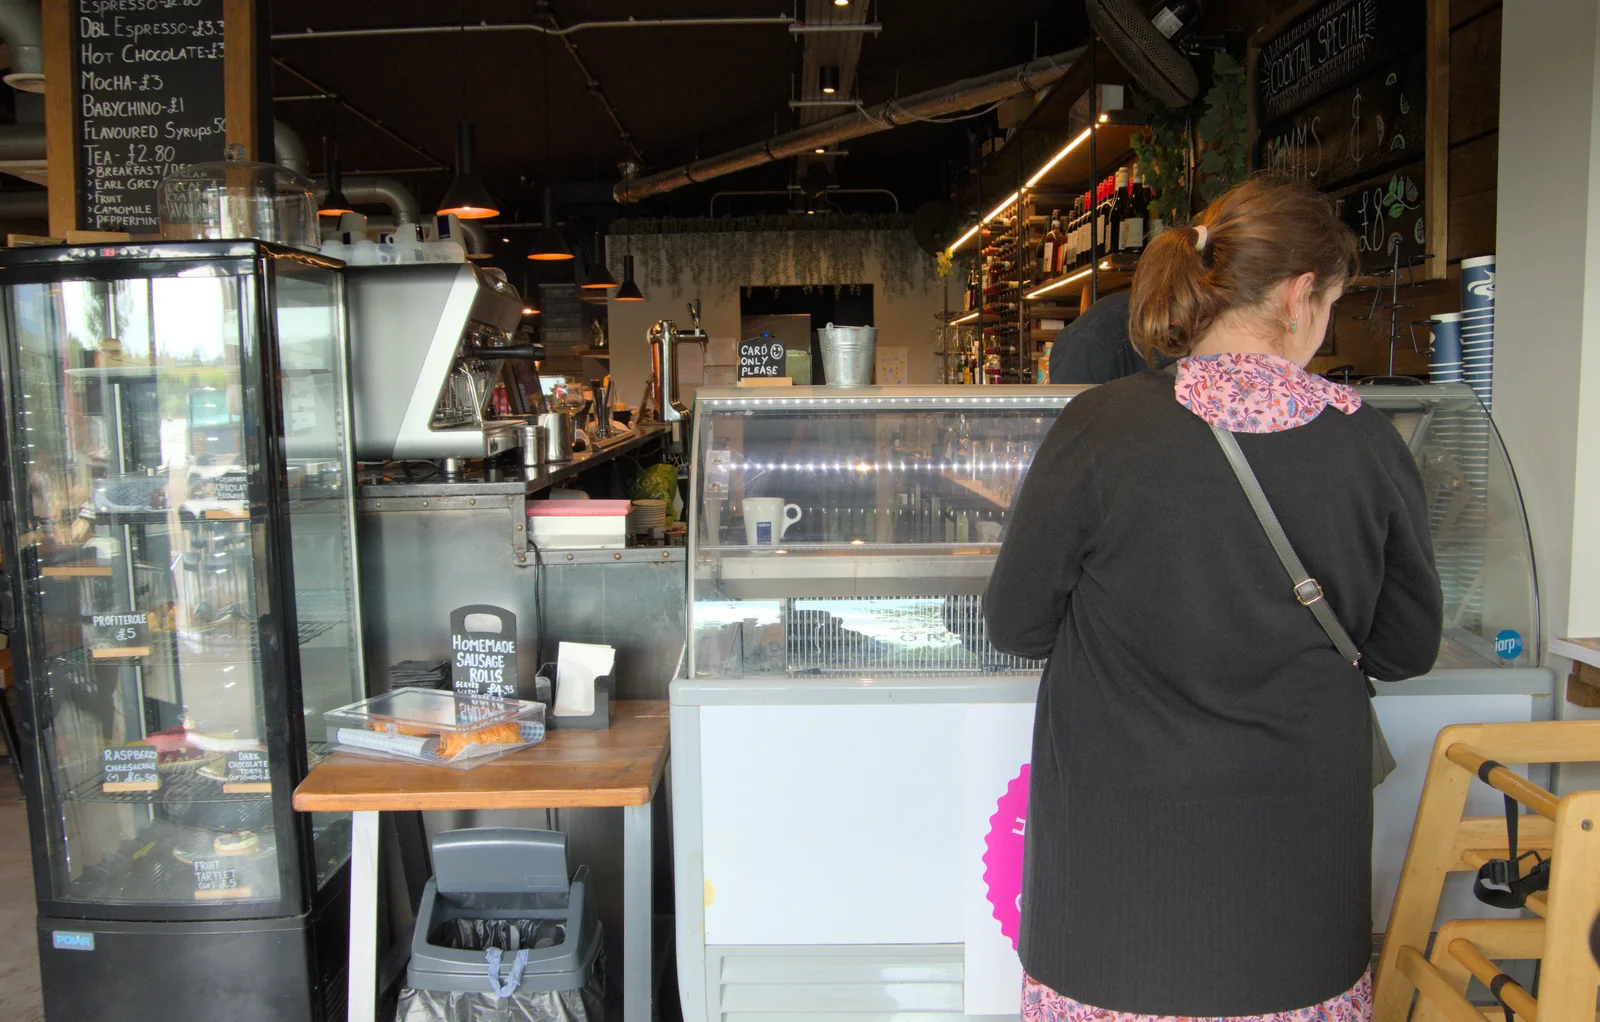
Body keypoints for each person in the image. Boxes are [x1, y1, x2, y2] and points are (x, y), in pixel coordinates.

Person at [985, 175, 1443, 1022]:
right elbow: (1404, 650)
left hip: (1112, 902)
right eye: (1334, 303)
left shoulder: (1101, 427)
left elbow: (1014, 622)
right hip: (1294, 905)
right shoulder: (1368, 442)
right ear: (1302, 294)